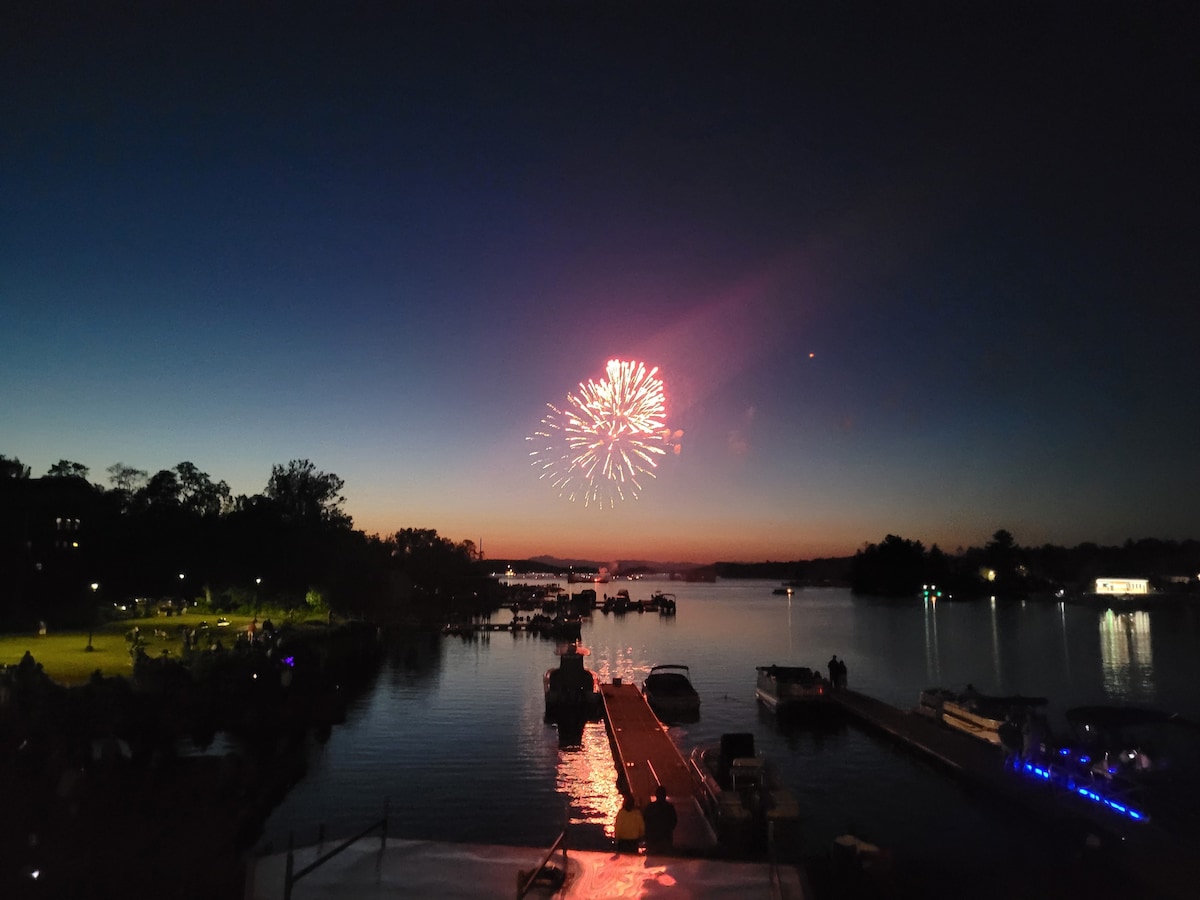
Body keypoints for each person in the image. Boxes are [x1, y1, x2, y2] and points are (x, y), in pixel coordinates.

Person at [642, 786, 678, 854]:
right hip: (666, 838)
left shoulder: (650, 807)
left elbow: (645, 820)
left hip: (652, 839)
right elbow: (674, 821)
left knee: (653, 860)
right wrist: (668, 830)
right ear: (665, 795)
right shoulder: (669, 807)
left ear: (656, 795)